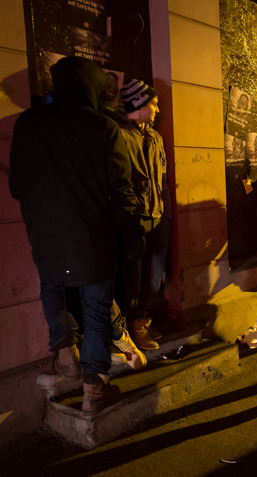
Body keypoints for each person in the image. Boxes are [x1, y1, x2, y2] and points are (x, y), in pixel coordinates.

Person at [9, 56, 143, 414]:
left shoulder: (27, 124)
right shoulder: (102, 127)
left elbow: (16, 185)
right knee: (97, 307)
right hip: (92, 234)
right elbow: (121, 189)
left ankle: (65, 352)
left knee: (52, 287)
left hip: (45, 232)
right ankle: (93, 390)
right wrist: (134, 233)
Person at [117, 79, 171, 350]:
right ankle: (129, 327)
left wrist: (166, 215)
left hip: (157, 216)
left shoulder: (155, 136)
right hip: (135, 218)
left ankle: (142, 320)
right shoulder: (119, 136)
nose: (157, 109)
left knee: (155, 276)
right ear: (138, 103)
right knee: (132, 278)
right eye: (154, 103)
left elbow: (162, 180)